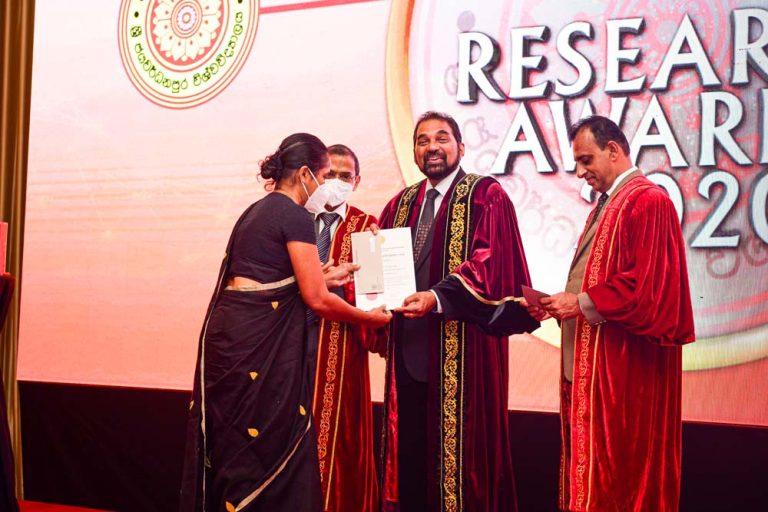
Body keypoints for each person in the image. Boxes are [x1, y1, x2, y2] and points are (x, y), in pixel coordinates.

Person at [179, 133, 391, 512]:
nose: (326, 187)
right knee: (267, 451)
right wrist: (369, 318)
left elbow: (269, 278)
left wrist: (326, 275)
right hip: (261, 351)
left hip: (232, 344)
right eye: (323, 177)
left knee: (235, 449)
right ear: (305, 174)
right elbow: (316, 299)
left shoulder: (256, 210)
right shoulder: (296, 215)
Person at [524, 115, 695, 511]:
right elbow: (600, 279)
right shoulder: (609, 203)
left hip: (623, 374)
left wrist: (579, 303)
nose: (579, 172)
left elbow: (649, 288)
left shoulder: (648, 201)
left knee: (620, 483)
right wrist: (560, 305)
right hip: (593, 368)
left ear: (614, 150)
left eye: (586, 160)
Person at [375, 111, 539, 512]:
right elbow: (383, 275)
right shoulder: (399, 205)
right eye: (422, 140)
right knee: (411, 458)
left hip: (464, 355)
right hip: (408, 353)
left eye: (441, 138)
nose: (432, 147)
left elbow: (490, 264)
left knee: (463, 463)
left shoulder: (485, 195)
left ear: (461, 148)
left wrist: (436, 298)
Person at [305, 144, 381, 512]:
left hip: (343, 346)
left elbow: (374, 294)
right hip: (291, 344)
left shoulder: (367, 226)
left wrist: (344, 285)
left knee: (342, 440)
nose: (336, 182)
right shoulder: (296, 220)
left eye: (345, 176)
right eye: (329, 174)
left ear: (357, 181)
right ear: (316, 176)